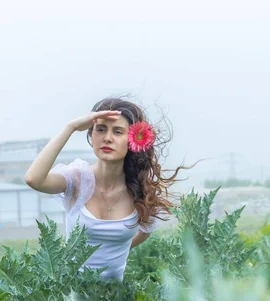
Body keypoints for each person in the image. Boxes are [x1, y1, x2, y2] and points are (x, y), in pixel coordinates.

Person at [24, 97, 195, 281]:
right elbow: (34, 179)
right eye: (101, 129)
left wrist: (118, 247)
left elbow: (145, 231)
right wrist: (71, 127)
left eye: (118, 132)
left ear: (132, 141)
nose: (107, 138)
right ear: (91, 135)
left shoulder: (141, 190)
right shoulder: (77, 179)